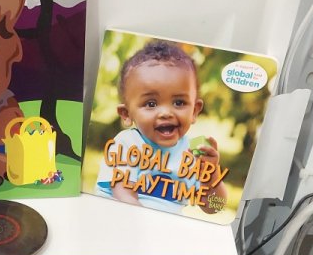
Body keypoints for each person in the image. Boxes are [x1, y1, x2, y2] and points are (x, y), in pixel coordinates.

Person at [96, 40, 227, 215]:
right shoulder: (127, 143)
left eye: (179, 102)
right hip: (121, 218)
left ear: (195, 111)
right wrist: (148, 224)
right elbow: (123, 193)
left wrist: (210, 175)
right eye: (151, 104)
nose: (166, 113)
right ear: (126, 114)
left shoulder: (192, 153)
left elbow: (214, 207)